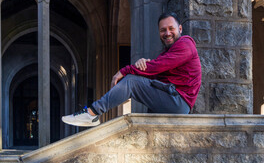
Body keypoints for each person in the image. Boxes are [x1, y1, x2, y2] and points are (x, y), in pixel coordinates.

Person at [62, 12, 202, 127]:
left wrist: (124, 71)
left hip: (178, 102)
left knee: (131, 82)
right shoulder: (168, 52)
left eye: (171, 28)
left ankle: (92, 113)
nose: (167, 33)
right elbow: (156, 73)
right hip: (172, 99)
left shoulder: (185, 44)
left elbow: (157, 67)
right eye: (163, 30)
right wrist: (143, 64)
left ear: (180, 29)